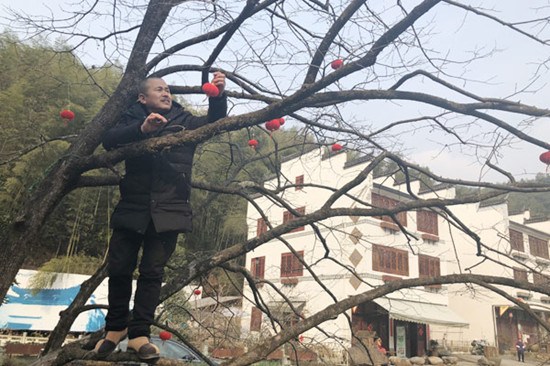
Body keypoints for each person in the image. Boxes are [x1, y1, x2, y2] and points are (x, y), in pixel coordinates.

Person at [94, 72, 227, 360]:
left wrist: (218, 96)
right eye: (159, 90)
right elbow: (109, 140)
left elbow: (214, 124)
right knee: (119, 269)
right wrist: (142, 129)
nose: (166, 93)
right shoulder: (130, 118)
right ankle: (114, 329)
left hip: (170, 211)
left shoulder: (183, 120)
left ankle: (139, 334)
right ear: (143, 98)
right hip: (133, 207)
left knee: (152, 275)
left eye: (168, 90)